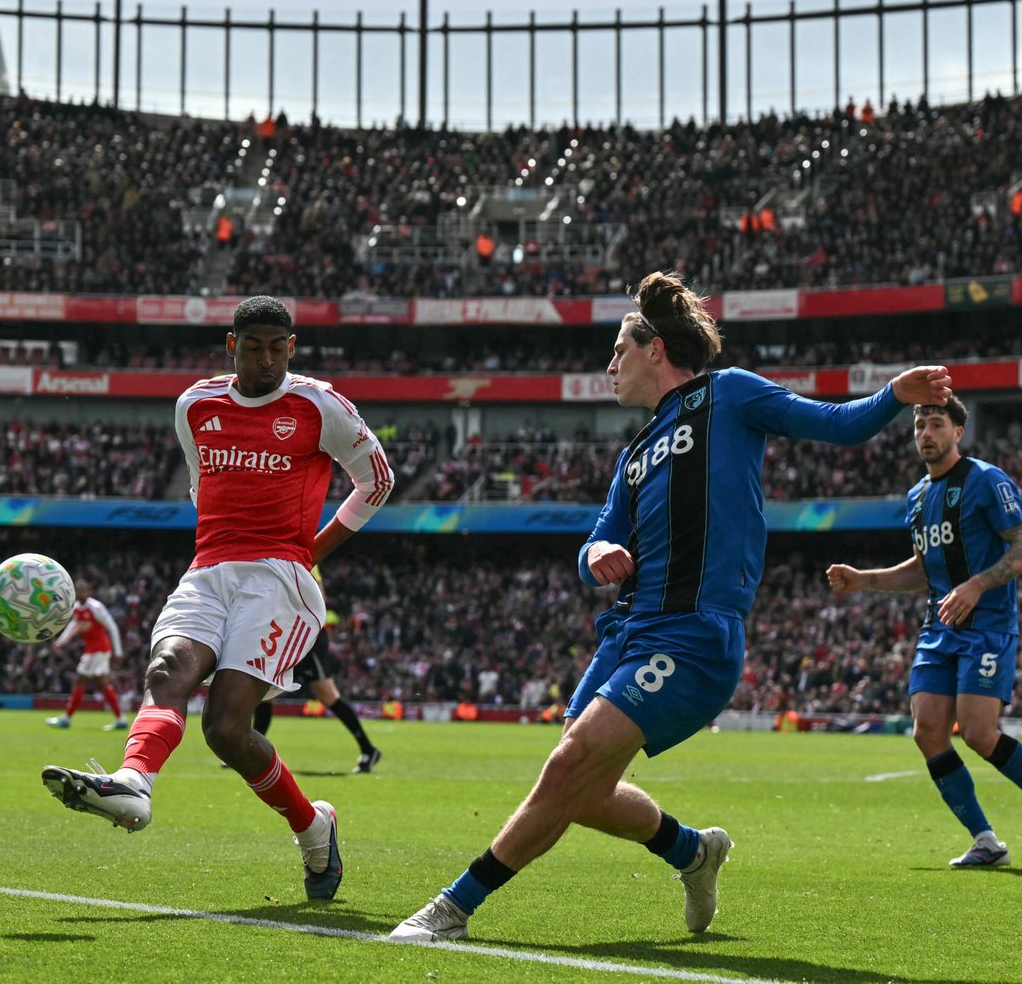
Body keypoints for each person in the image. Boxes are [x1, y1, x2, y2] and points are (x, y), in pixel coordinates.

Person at [389, 271, 951, 943]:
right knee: (583, 792)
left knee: (566, 769)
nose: (609, 366)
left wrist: (894, 395)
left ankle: (451, 908)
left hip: (692, 636)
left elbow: (835, 423)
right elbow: (595, 541)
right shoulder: (632, 455)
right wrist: (597, 552)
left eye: (618, 351)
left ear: (654, 349)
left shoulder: (729, 393)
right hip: (626, 635)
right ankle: (693, 851)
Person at [41, 296, 394, 900]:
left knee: (227, 729)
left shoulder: (318, 404)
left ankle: (315, 829)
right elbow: (200, 487)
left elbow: (377, 479)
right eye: (253, 348)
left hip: (279, 577)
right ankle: (134, 783)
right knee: (166, 671)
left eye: (277, 349)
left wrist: (311, 551)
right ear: (232, 346)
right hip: (208, 569)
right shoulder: (195, 405)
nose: (266, 360)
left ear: (292, 348)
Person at [825, 396, 1022, 870]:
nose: (926, 434)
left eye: (936, 424)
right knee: (927, 731)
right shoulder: (917, 496)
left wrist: (976, 585)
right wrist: (864, 579)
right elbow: (924, 569)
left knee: (978, 733)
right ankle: (986, 842)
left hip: (986, 625)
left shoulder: (985, 480)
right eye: (920, 426)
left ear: (958, 432)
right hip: (939, 628)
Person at [239, 565, 383, 774]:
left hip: (307, 635)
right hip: (286, 634)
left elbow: (318, 598)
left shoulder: (305, 561)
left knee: (326, 695)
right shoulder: (279, 560)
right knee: (266, 693)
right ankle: (250, 751)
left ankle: (368, 749)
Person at [45, 577, 128, 731]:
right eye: (78, 590)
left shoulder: (95, 607)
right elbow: (74, 625)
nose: (80, 592)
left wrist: (118, 652)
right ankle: (121, 719)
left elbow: (112, 627)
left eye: (83, 589)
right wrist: (61, 642)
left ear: (89, 591)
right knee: (102, 684)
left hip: (98, 649)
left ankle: (66, 718)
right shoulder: (77, 608)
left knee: (80, 680)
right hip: (92, 650)